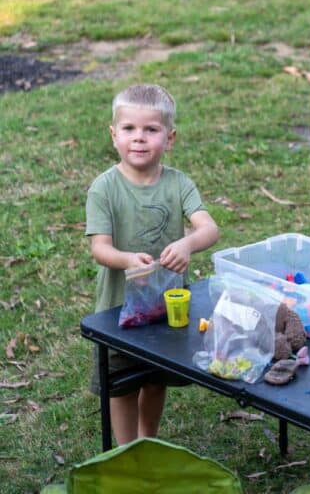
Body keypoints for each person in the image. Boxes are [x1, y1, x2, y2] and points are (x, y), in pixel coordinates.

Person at [85, 84, 220, 445]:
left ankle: (149, 441)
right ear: (114, 136)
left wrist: (189, 243)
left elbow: (209, 228)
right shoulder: (104, 188)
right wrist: (127, 259)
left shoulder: (179, 184)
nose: (139, 139)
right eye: (129, 129)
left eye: (151, 129)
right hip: (118, 310)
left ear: (170, 137)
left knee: (155, 378)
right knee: (122, 386)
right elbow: (100, 249)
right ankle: (129, 450)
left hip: (165, 307)